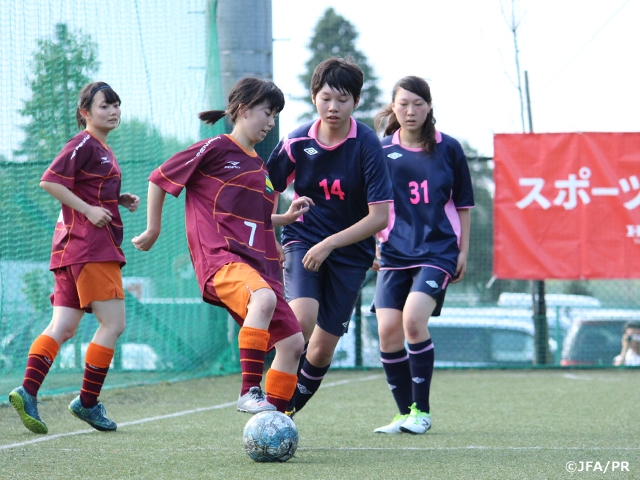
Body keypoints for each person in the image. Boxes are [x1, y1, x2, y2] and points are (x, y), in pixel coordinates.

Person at [132, 78, 309, 414]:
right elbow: (159, 176)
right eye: (267, 113)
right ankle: (248, 391)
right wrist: (153, 229)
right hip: (221, 259)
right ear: (242, 110)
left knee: (292, 343)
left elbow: (255, 219)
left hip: (258, 267)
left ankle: (276, 419)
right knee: (264, 298)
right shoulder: (214, 148)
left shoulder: (260, 166)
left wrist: (283, 219)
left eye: (275, 116)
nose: (271, 122)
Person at [9, 82, 140, 434]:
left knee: (62, 328)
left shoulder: (102, 149)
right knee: (113, 324)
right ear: (84, 112)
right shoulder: (84, 142)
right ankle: (86, 402)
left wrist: (117, 199)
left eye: (116, 105)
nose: (113, 111)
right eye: (104, 106)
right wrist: (89, 209)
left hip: (71, 250)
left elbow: (84, 188)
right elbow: (49, 181)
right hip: (90, 248)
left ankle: (27, 391)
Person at [266, 57, 393, 417]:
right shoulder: (297, 140)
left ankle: (285, 413)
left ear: (356, 101)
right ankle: (271, 406)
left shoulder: (368, 145)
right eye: (325, 98)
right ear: (313, 97)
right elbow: (267, 186)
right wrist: (272, 231)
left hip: (350, 252)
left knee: (321, 350)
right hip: (303, 238)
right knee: (301, 319)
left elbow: (378, 217)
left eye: (342, 99)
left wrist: (331, 243)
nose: (332, 107)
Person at [371, 76, 474, 434]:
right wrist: (372, 242)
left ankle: (423, 413)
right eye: (403, 104)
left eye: (418, 103)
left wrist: (463, 251)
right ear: (394, 108)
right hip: (394, 252)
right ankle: (404, 415)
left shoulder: (449, 149)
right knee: (387, 331)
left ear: (429, 106)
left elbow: (463, 205)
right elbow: (372, 205)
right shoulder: (382, 151)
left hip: (438, 249)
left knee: (413, 319)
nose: (410, 111)